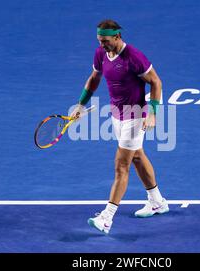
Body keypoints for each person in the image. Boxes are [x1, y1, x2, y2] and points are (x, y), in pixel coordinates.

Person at [70, 19, 169, 234]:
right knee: (137, 156)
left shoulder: (133, 57)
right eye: (99, 41)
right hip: (117, 115)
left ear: (117, 37)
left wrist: (153, 112)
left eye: (105, 41)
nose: (102, 45)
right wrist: (80, 104)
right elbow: (94, 78)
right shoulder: (100, 54)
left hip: (136, 115)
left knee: (121, 165)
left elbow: (156, 82)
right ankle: (157, 201)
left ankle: (107, 218)